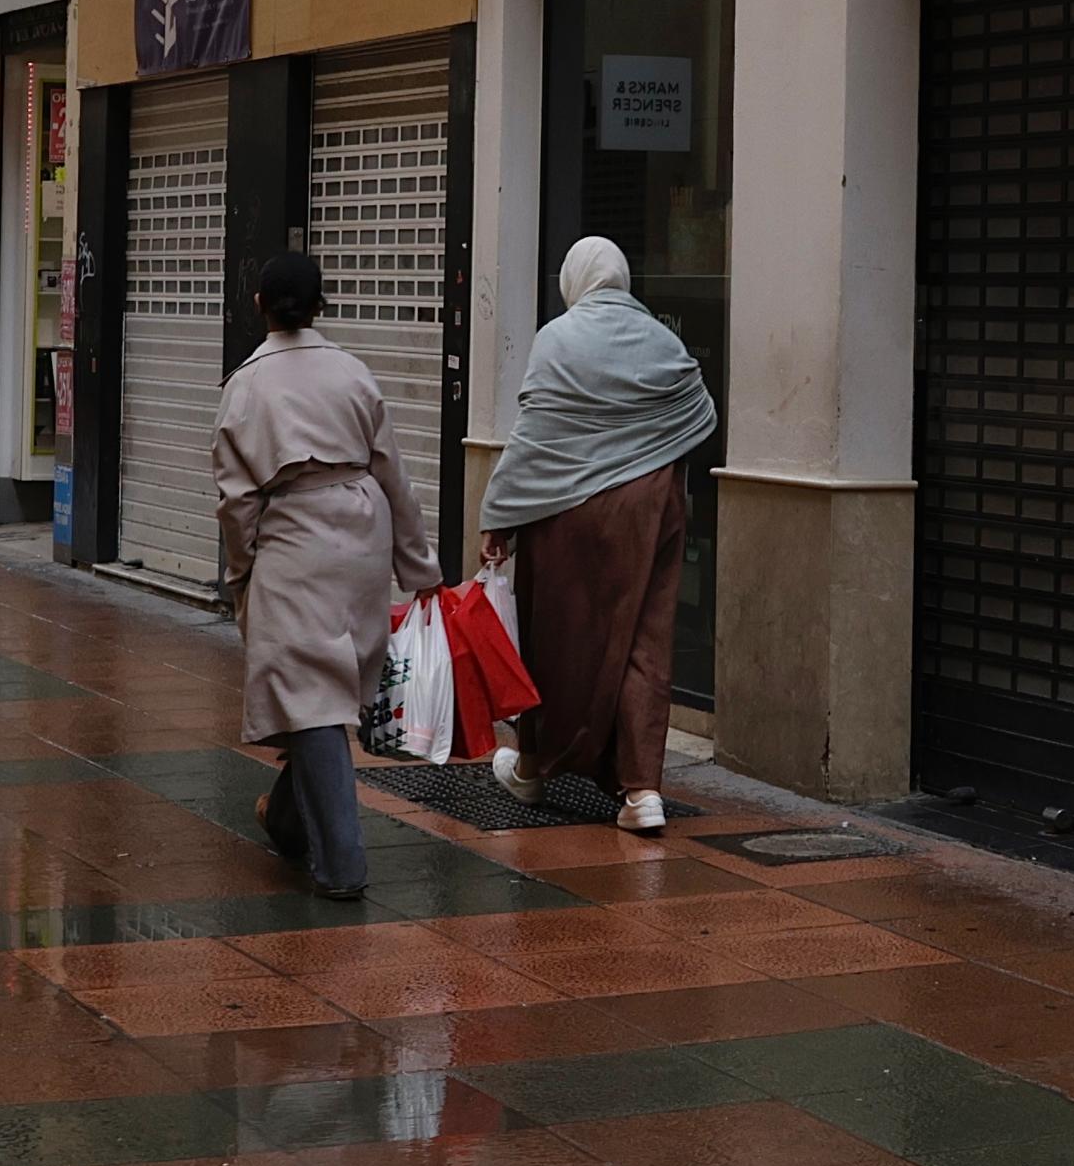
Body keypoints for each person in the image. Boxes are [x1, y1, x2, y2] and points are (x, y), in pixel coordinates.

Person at [211, 248, 437, 902]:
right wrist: (419, 567)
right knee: (324, 695)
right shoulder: (354, 373)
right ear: (321, 305)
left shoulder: (246, 385)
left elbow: (236, 500)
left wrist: (241, 567)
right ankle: (286, 820)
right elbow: (394, 473)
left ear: (259, 305)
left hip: (292, 541)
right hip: (362, 536)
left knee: (310, 698)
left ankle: (342, 865)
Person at [477, 236, 713, 834]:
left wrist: (500, 515)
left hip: (568, 509)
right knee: (644, 640)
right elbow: (699, 415)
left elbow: (535, 432)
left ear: (575, 279)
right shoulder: (664, 341)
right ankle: (642, 793)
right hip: (651, 506)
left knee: (554, 632)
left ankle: (535, 766)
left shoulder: (556, 338)